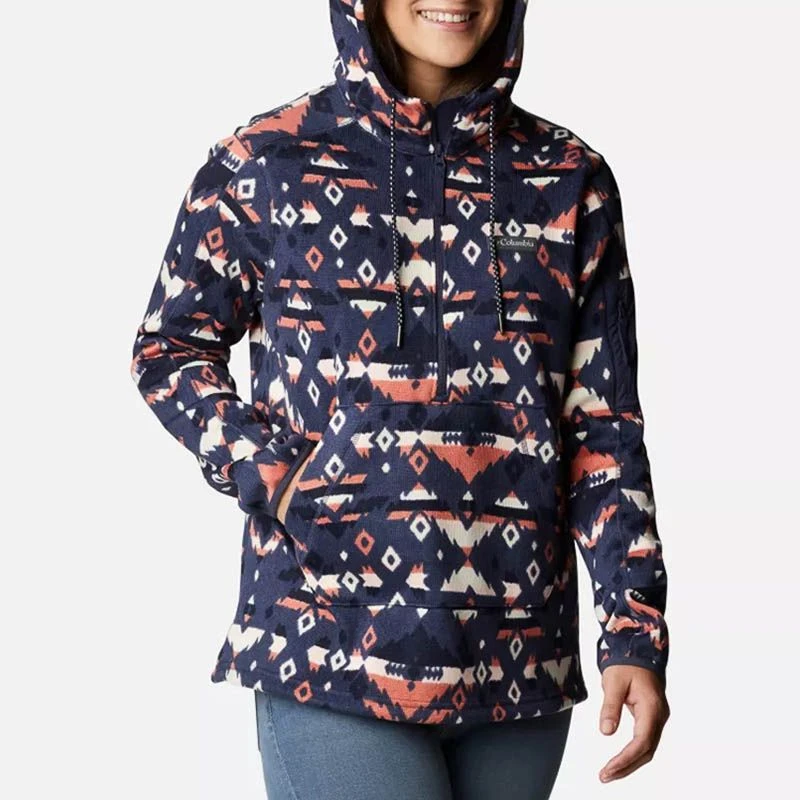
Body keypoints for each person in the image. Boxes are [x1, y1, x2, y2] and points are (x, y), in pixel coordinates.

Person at [130, 0, 671, 797]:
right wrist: (278, 475)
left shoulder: (570, 180)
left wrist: (634, 629)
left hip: (519, 667)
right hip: (327, 643)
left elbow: (604, 427)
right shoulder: (264, 161)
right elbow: (169, 349)